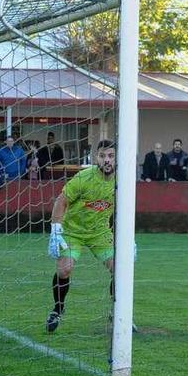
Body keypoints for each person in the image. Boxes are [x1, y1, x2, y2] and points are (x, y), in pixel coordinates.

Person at [46, 139, 121, 333]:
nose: (107, 160)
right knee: (64, 270)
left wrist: (130, 239)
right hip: (73, 231)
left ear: (116, 158)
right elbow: (62, 201)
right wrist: (56, 230)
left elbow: (126, 209)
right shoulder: (84, 177)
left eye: (111, 156)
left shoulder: (122, 181)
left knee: (120, 270)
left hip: (100, 233)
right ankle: (58, 309)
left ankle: (118, 313)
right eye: (103, 156)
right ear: (96, 157)